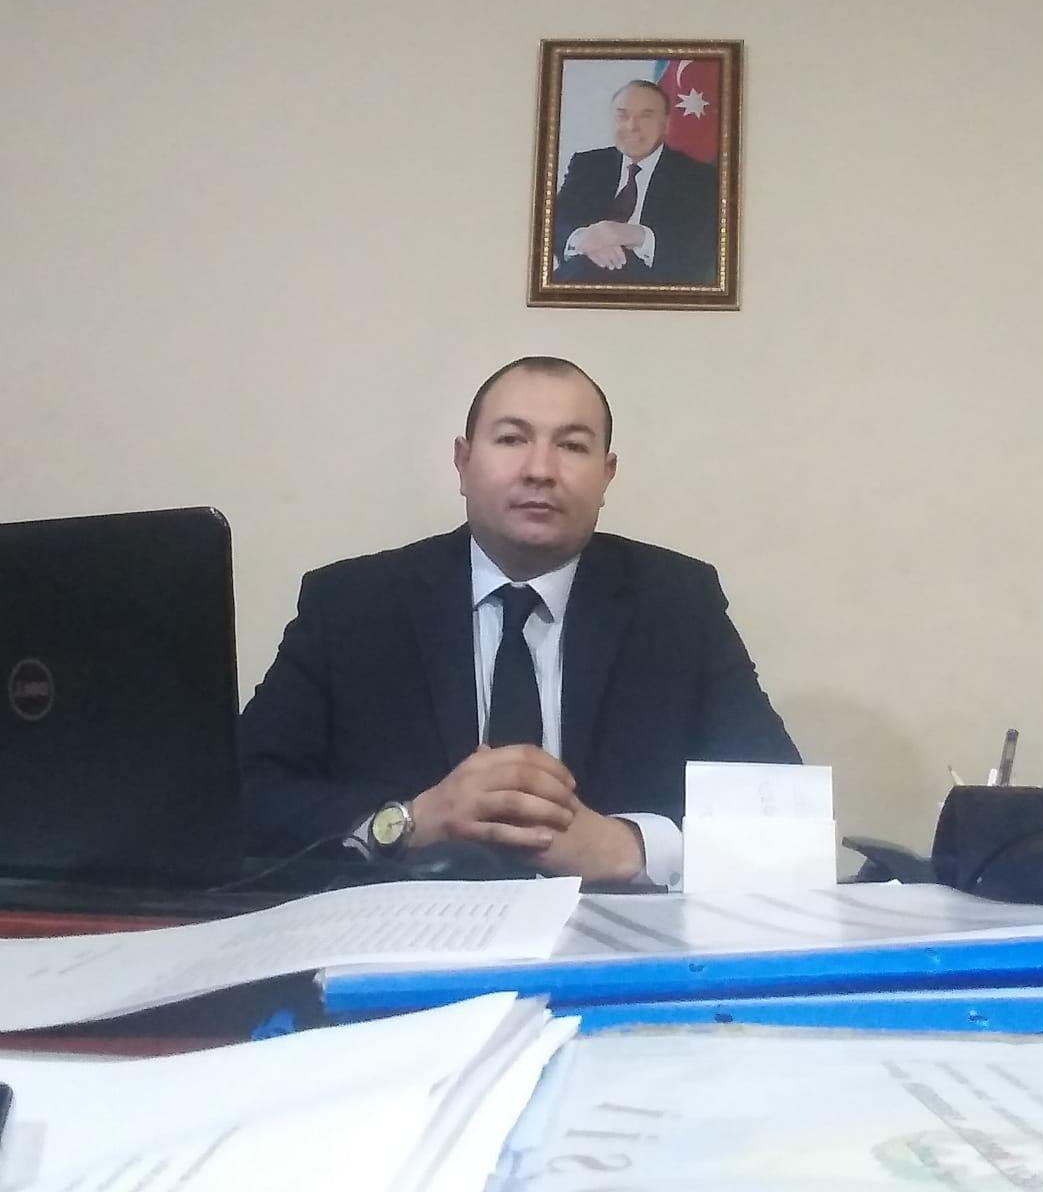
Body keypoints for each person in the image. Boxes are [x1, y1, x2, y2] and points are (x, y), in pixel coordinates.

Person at [240, 356, 799, 885]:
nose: (540, 470)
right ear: (463, 462)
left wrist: (631, 847)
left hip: (606, 932)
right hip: (405, 930)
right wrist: (409, 820)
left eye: (572, 446)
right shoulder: (353, 605)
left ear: (606, 475)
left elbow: (781, 812)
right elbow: (243, 796)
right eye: (511, 439)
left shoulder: (677, 604)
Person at [552, 81, 718, 286]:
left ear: (666, 124)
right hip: (578, 281)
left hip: (652, 289)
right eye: (622, 115)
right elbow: (557, 222)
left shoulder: (698, 177)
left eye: (646, 116)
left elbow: (695, 249)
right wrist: (585, 239)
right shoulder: (588, 164)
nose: (632, 126)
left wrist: (636, 235)